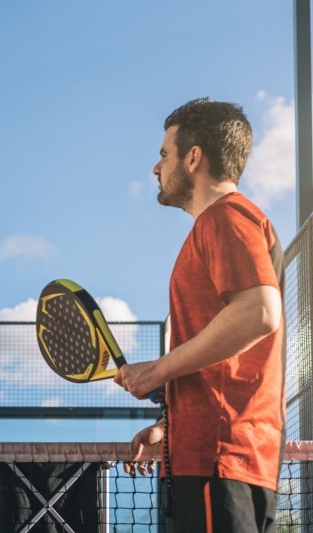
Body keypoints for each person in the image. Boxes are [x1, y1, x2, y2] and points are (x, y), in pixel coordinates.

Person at [113, 98, 285, 532]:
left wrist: (156, 371)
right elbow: (226, 359)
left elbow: (259, 313)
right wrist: (169, 424)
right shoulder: (221, 224)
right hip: (208, 457)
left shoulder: (226, 217)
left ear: (193, 158)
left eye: (163, 155)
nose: (156, 168)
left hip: (219, 458)